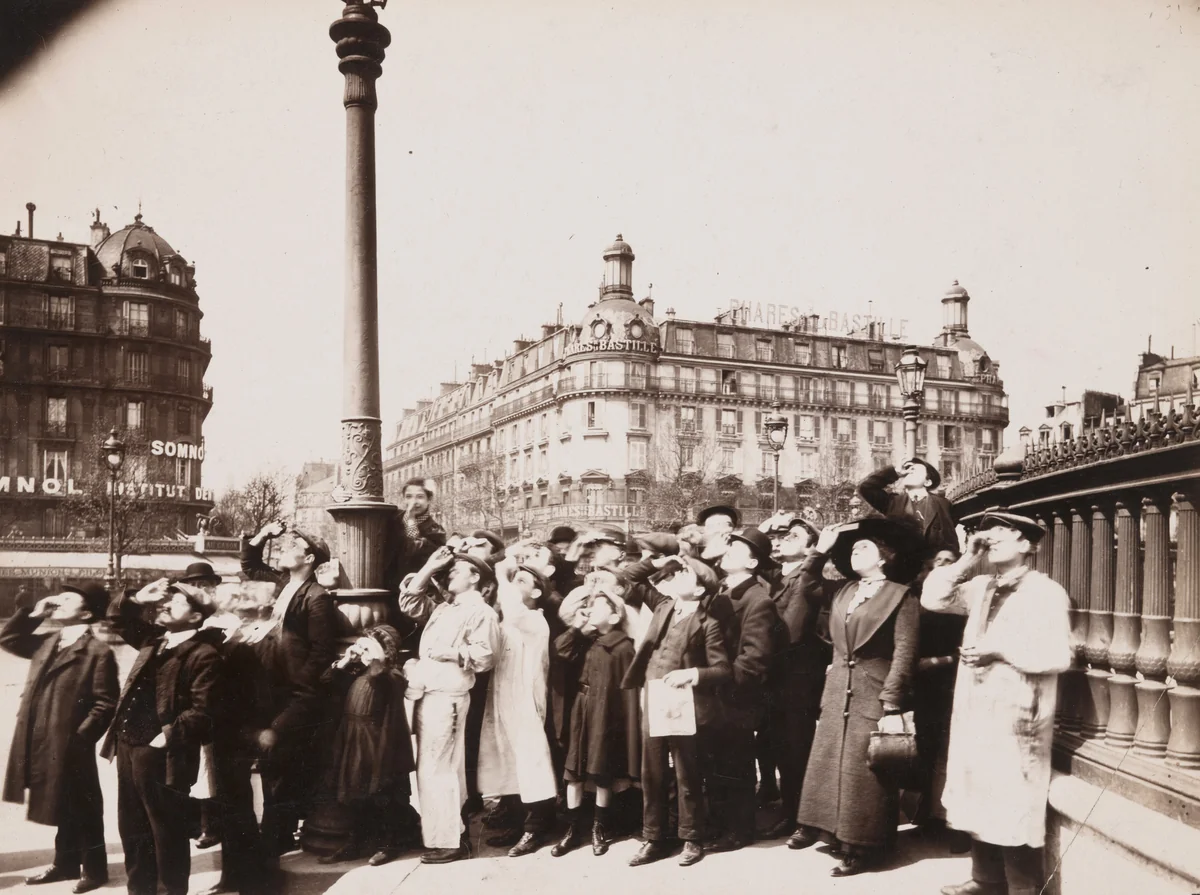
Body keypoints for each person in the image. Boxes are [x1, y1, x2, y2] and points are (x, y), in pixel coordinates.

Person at [921, 510, 1072, 895]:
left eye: (1006, 531)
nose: (994, 537)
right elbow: (933, 597)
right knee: (978, 792)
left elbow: (1057, 655)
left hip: (1019, 712)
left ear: (1029, 545)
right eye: (989, 531)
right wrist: (967, 559)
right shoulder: (982, 585)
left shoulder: (1046, 592)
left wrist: (999, 650)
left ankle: (1024, 888)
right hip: (978, 708)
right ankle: (985, 879)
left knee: (1013, 801)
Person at [788, 519, 923, 877]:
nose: (854, 551)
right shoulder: (845, 590)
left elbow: (905, 652)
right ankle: (835, 833)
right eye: (852, 548)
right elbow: (807, 586)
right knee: (833, 765)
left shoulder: (901, 594)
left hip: (873, 691)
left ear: (884, 558)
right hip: (837, 691)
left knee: (866, 773)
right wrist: (818, 551)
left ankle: (864, 846)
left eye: (863, 547)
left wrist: (891, 701)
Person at [104, 582, 221, 895]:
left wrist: (166, 737)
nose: (166, 603)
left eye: (176, 601)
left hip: (164, 755)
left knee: (165, 833)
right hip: (129, 747)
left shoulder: (203, 654)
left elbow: (203, 711)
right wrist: (138, 598)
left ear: (196, 617)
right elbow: (117, 619)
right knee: (132, 830)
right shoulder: (155, 639)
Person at [2, 584, 118, 893]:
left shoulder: (97, 650)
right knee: (61, 799)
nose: (59, 601)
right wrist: (32, 613)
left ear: (86, 612)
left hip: (70, 741)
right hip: (39, 737)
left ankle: (95, 870)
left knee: (83, 802)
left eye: (69, 598)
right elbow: (9, 638)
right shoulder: (50, 640)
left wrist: (80, 738)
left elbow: (106, 703)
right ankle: (65, 863)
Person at [622, 555, 731, 868]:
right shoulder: (664, 606)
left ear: (699, 591)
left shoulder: (708, 623)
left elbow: (723, 668)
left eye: (687, 573)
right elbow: (632, 575)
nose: (678, 574)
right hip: (654, 697)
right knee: (652, 771)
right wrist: (660, 561)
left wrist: (692, 674)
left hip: (686, 705)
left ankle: (691, 837)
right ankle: (654, 837)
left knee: (687, 772)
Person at [239, 522, 338, 860]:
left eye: (292, 544)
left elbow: (321, 652)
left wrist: (297, 690)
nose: (283, 547)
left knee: (281, 762)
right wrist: (261, 535)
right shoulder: (283, 584)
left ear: (308, 557)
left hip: (296, 695)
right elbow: (251, 566)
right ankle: (278, 832)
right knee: (271, 763)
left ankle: (278, 835)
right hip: (272, 690)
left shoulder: (317, 597)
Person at [398, 550, 500, 864]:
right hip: (431, 695)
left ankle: (451, 840)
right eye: (451, 569)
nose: (452, 572)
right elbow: (409, 603)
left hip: (449, 698)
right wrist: (430, 566)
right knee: (433, 768)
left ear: (476, 578)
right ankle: (442, 834)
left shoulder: (480, 611)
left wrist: (451, 653)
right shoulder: (445, 607)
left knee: (440, 770)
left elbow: (486, 656)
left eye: (460, 569)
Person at [705, 527, 783, 853]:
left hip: (735, 697)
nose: (727, 552)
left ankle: (739, 830)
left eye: (736, 549)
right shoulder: (720, 592)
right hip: (713, 693)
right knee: (716, 763)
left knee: (735, 765)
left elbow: (754, 659)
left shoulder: (758, 600)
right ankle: (720, 825)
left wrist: (720, 681)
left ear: (752, 563)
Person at [477, 554, 559, 858]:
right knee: (505, 756)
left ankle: (536, 826)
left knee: (530, 760)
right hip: (501, 695)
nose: (513, 584)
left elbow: (512, 610)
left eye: (521, 581)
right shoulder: (507, 619)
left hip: (524, 699)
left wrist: (502, 575)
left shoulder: (535, 620)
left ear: (537, 593)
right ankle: (515, 819)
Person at [551, 587, 640, 857]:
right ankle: (572, 829)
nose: (592, 610)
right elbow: (560, 650)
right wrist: (578, 626)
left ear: (614, 617)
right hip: (582, 709)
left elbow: (627, 693)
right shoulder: (584, 640)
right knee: (574, 771)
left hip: (606, 714)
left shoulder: (623, 646)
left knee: (602, 772)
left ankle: (598, 828)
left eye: (599, 606)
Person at [757, 513, 830, 840]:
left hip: (797, 676)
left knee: (795, 747)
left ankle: (803, 819)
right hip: (773, 674)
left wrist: (817, 558)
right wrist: (761, 530)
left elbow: (795, 626)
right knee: (774, 742)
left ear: (811, 548)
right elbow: (749, 555)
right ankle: (790, 809)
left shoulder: (809, 576)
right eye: (784, 535)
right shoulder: (776, 573)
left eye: (795, 537)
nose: (785, 539)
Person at [318, 625, 415, 867]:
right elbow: (326, 682)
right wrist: (345, 660)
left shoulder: (391, 675)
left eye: (368, 646)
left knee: (382, 794)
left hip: (376, 743)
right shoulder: (358, 673)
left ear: (385, 652)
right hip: (352, 738)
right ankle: (356, 841)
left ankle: (389, 844)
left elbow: (382, 679)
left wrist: (376, 660)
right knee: (353, 793)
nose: (362, 651)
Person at [858, 459, 958, 557]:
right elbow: (866, 487)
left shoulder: (942, 504)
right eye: (908, 469)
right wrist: (895, 472)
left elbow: (949, 537)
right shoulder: (892, 502)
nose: (909, 471)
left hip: (932, 566)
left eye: (914, 470)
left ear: (927, 482)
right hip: (904, 567)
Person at [385, 478, 448, 589]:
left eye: (420, 497)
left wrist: (411, 521)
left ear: (429, 499)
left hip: (412, 590)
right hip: (386, 587)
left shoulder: (436, 531)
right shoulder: (392, 516)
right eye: (409, 497)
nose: (414, 502)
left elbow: (413, 551)